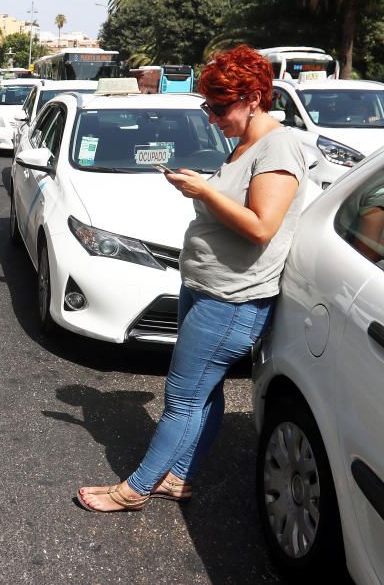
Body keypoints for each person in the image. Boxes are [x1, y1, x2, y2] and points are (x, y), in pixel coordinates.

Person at [77, 45, 309, 512]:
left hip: (231, 300)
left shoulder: (279, 147)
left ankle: (135, 489)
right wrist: (201, 187)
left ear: (254, 97)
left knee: (182, 400)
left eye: (220, 107)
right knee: (205, 392)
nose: (213, 117)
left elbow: (262, 226)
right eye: (209, 106)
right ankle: (177, 478)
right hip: (208, 289)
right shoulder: (247, 144)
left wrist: (203, 190)